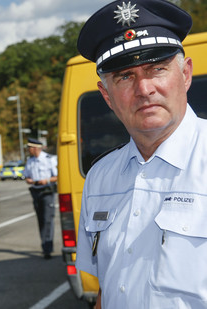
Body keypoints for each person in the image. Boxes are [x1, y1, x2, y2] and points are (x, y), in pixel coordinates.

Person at [75, 1, 206, 308]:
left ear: (185, 74)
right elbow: (106, 288)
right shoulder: (100, 178)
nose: (144, 88)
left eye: (156, 69)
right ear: (106, 95)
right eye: (124, 77)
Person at [23, 138, 57, 259]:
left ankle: (47, 248)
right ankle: (45, 246)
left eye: (29, 148)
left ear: (35, 148)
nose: (28, 150)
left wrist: (46, 180)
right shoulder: (30, 161)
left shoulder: (49, 159)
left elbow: (57, 176)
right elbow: (26, 176)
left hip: (47, 191)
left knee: (48, 219)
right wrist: (29, 180)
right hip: (35, 192)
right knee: (41, 220)